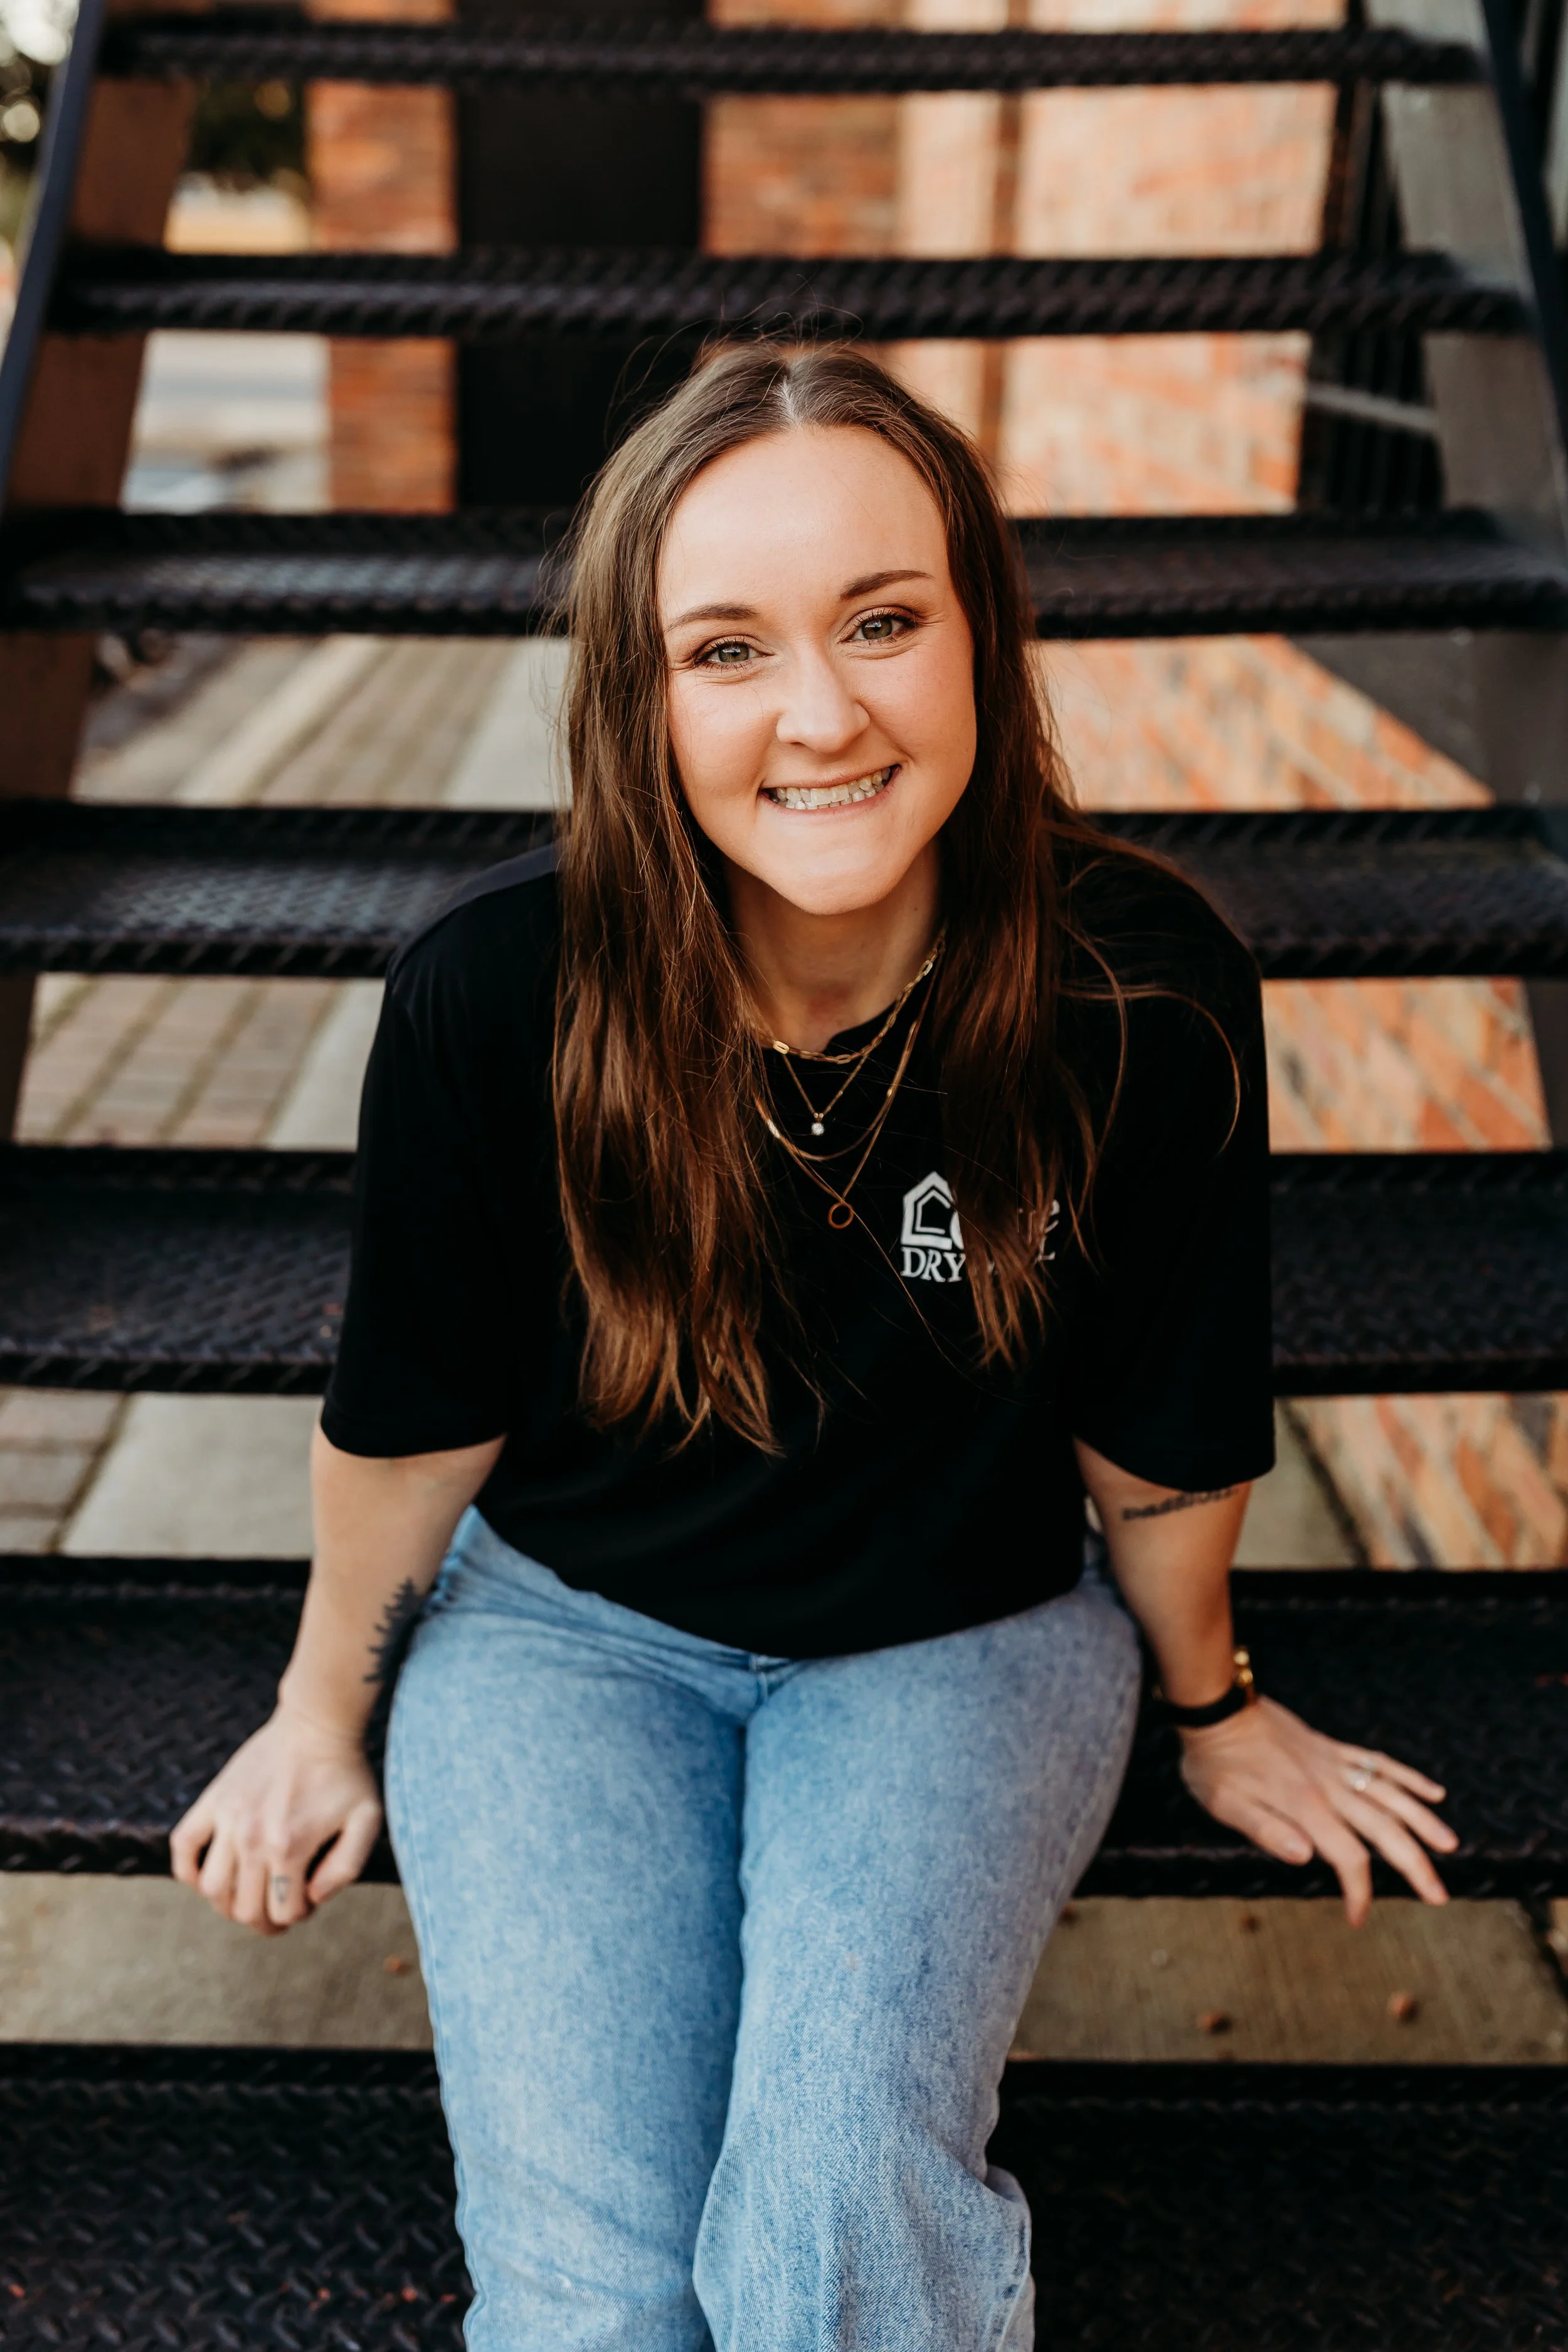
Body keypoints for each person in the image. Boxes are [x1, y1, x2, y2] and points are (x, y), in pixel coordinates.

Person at [172, 344, 1456, 2352]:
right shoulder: (493, 994)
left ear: (978, 638)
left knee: (828, 2224)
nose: (822, 712)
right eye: (726, 648)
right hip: (563, 1634)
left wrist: (1218, 1706)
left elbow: (1155, 1441)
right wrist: (321, 1713)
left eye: (882, 620)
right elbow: (415, 1424)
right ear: (638, 697)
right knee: (596, 2300)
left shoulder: (1145, 994)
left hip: (962, 1632)